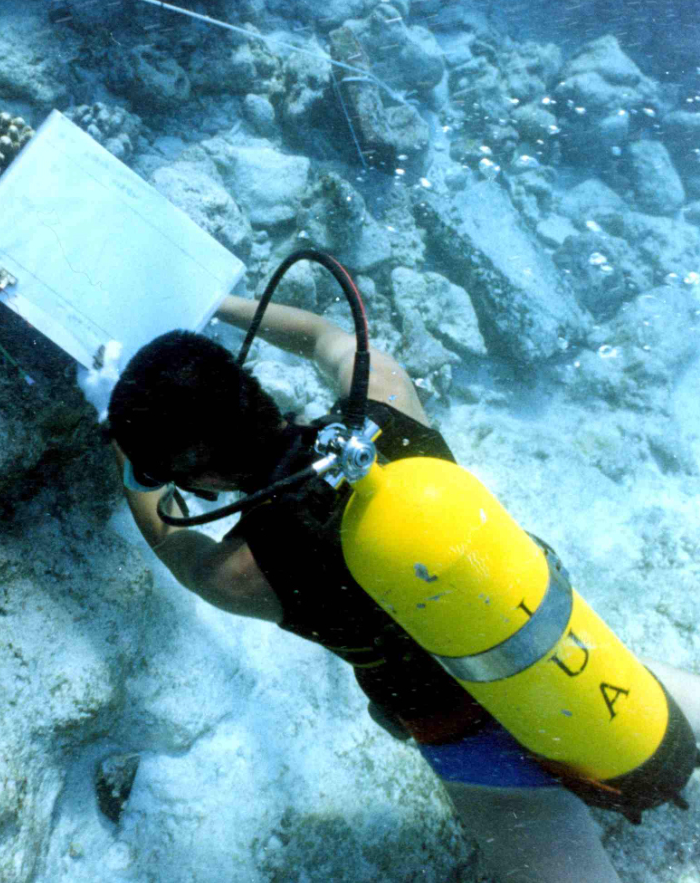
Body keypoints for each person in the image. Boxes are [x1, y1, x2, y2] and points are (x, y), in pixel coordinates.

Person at [106, 292, 700, 883]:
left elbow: (170, 541)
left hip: (471, 744)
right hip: (560, 666)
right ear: (253, 388)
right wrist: (216, 299)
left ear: (201, 477)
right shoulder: (387, 406)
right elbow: (321, 337)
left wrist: (128, 457)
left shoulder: (241, 574)